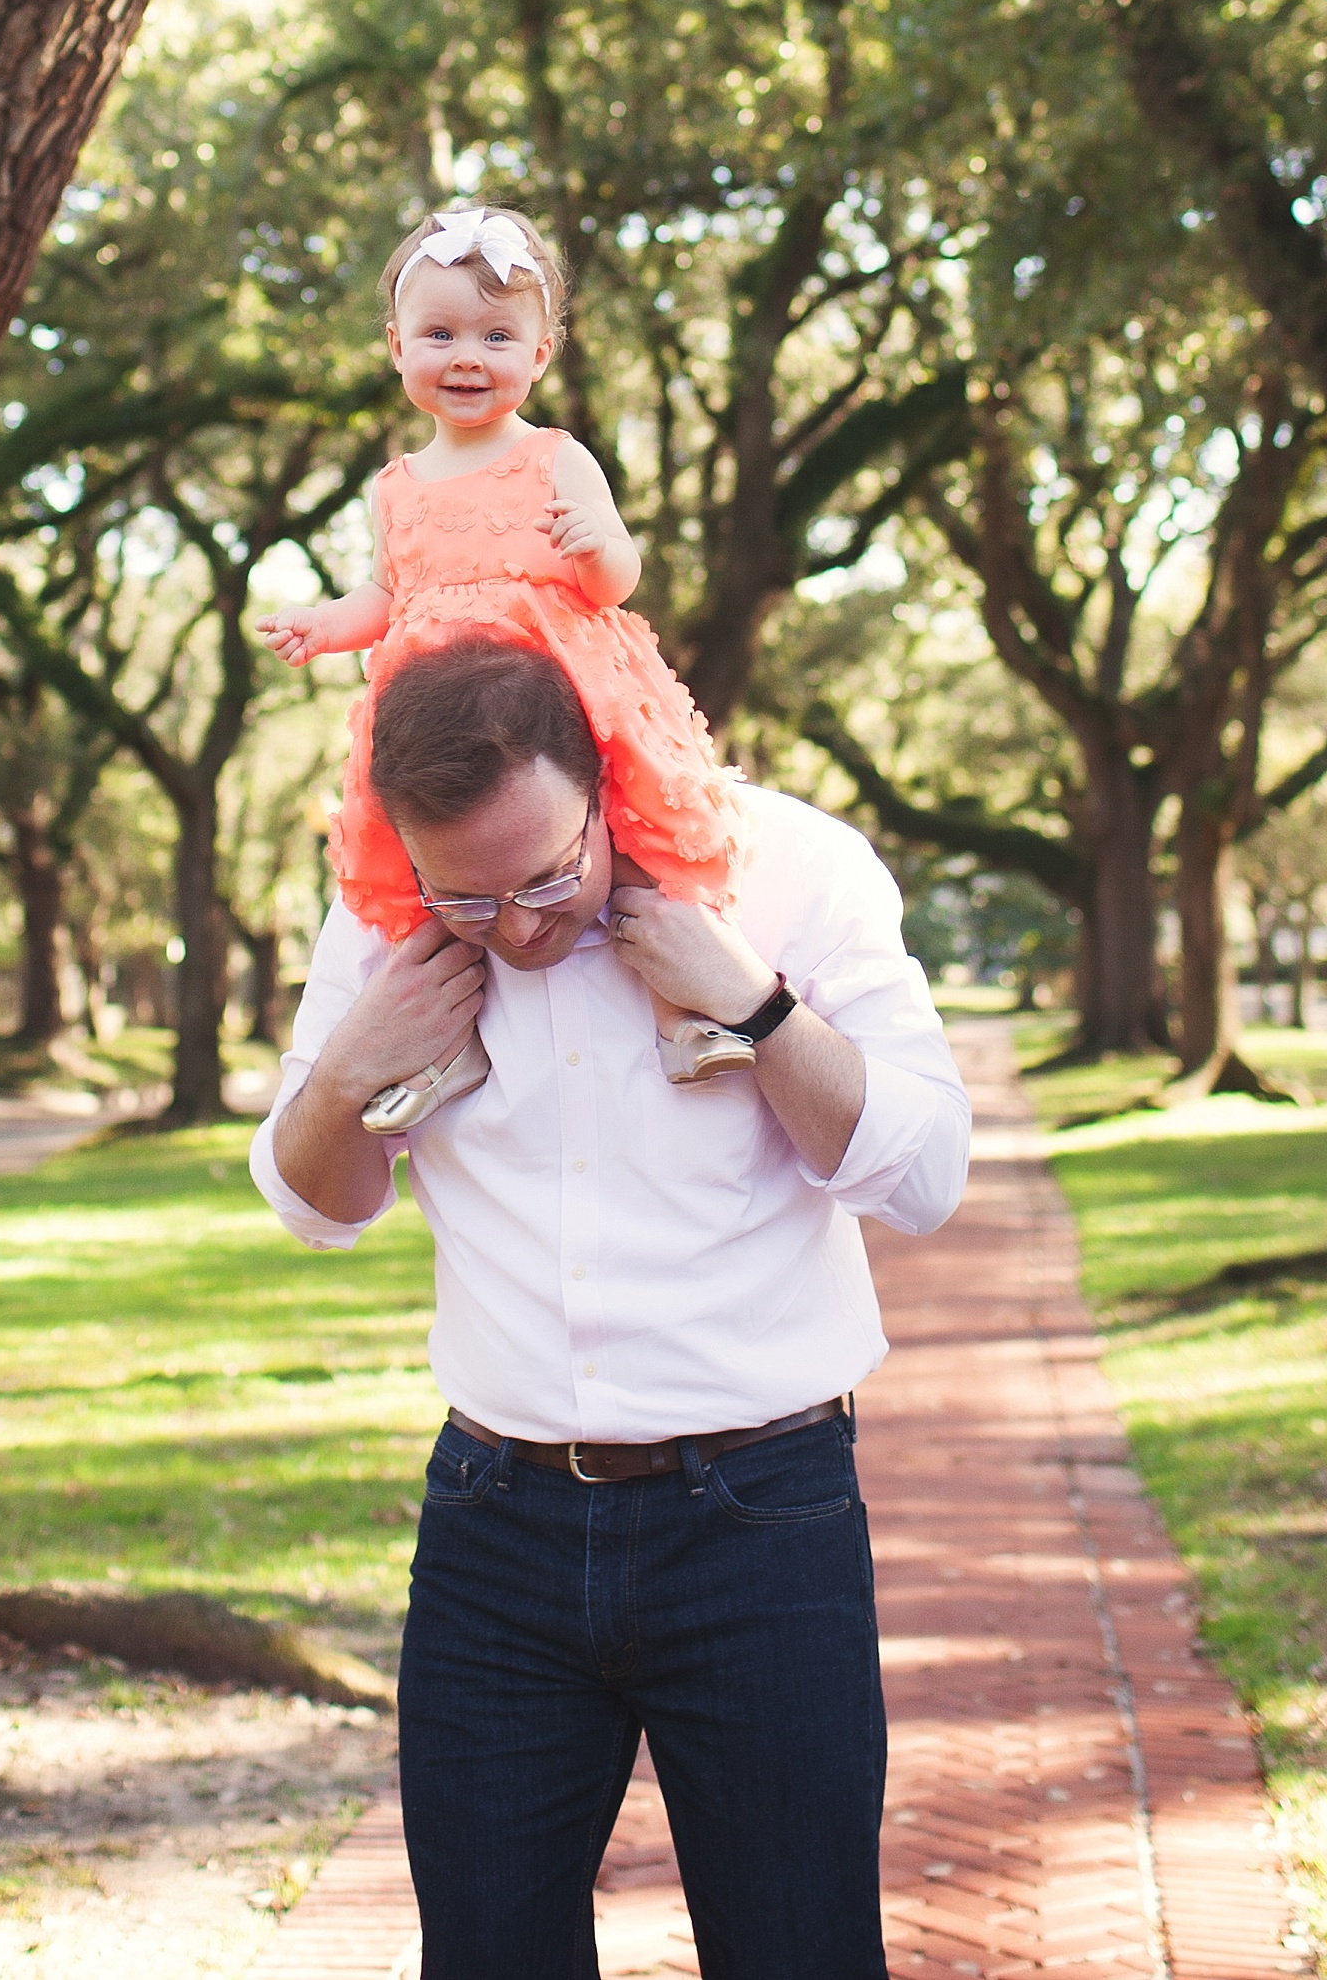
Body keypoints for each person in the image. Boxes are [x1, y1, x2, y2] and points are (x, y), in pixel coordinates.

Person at [250, 631, 970, 1980]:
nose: (517, 927)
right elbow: (314, 1203)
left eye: (546, 875)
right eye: (467, 897)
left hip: (760, 1516)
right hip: (495, 1529)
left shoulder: (793, 870)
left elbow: (923, 1176)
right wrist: (347, 1068)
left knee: (798, 1954)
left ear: (606, 781)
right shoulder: (383, 910)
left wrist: (755, 1008)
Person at [255, 200, 754, 1124]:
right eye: (439, 333)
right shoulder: (396, 486)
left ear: (541, 352)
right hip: (434, 712)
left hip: (558, 692)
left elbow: (616, 579)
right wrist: (325, 625)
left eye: (496, 334)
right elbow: (386, 595)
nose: (467, 357)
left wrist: (596, 541)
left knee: (634, 834)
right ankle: (442, 1053)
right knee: (426, 879)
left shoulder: (556, 458)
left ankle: (688, 1013)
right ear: (397, 347)